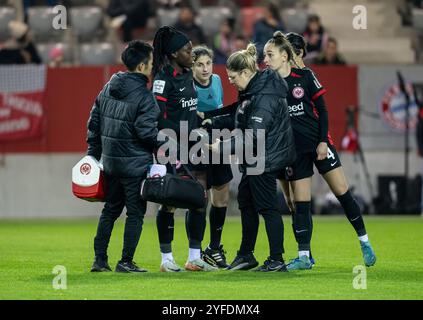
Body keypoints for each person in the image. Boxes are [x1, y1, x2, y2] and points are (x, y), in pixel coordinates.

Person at [263, 31, 376, 270]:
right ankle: (305, 254)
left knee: (342, 192)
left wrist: (323, 141)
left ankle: (364, 241)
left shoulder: (305, 76)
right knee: (296, 203)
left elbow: (323, 110)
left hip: (317, 144)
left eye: (292, 52)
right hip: (292, 150)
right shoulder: (271, 80)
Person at [207, 43, 296, 272]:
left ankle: (276, 259)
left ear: (246, 73)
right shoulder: (253, 90)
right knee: (246, 202)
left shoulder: (264, 95)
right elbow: (239, 114)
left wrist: (222, 147)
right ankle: (246, 255)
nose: (230, 81)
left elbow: (252, 136)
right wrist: (212, 120)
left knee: (267, 208)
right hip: (256, 157)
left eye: (233, 77)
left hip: (265, 158)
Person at [87, 40, 160, 273]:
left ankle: (100, 260)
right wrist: (167, 142)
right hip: (135, 166)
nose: (153, 66)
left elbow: (94, 123)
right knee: (135, 214)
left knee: (110, 210)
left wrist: (93, 155)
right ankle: (126, 261)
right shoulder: (145, 97)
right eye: (151, 62)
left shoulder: (108, 87)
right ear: (141, 66)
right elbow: (146, 133)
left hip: (110, 163)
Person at [151, 26, 217, 272]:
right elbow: (158, 118)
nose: (192, 53)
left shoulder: (188, 75)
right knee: (169, 201)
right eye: (187, 50)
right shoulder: (161, 80)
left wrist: (202, 123)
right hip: (170, 145)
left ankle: (194, 257)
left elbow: (190, 111)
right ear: (173, 54)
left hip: (194, 144)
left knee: (200, 198)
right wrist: (185, 134)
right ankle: (166, 260)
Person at [191, 46, 233, 268]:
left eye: (208, 63)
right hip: (195, 144)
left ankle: (214, 248)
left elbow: (220, 111)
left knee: (222, 193)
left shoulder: (217, 80)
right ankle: (194, 253)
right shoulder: (187, 85)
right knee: (197, 198)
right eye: (200, 64)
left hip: (217, 140)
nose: (205, 68)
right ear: (192, 66)